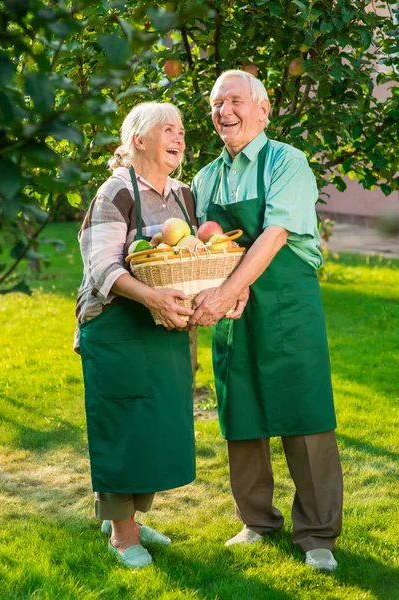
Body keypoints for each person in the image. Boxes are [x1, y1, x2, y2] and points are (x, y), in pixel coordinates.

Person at [190, 70, 343, 573]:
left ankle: (317, 533)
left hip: (286, 305)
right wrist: (213, 293)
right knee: (242, 415)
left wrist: (228, 291)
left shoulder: (286, 161)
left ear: (263, 107)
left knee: (305, 413)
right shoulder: (205, 177)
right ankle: (257, 520)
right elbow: (199, 249)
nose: (224, 111)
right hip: (232, 309)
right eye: (216, 104)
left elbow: (275, 235)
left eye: (234, 100)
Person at [75, 101, 197, 570]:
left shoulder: (184, 196)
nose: (180, 137)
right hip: (115, 322)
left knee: (153, 423)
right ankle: (122, 535)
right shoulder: (116, 191)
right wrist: (152, 299)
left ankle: (125, 518)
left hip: (162, 323)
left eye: (182, 130)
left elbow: (190, 256)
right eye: (169, 129)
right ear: (139, 140)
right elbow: (102, 266)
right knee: (122, 422)